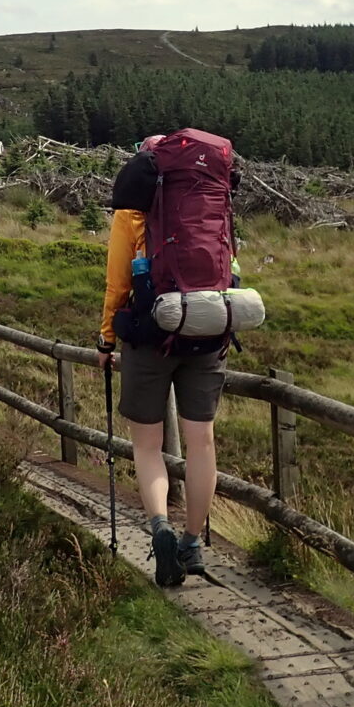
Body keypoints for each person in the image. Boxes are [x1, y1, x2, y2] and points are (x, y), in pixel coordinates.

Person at [97, 135, 227, 588]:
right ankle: (192, 540)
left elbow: (117, 283)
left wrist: (106, 339)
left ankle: (160, 529)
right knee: (201, 443)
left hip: (150, 337)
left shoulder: (132, 209)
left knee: (148, 447)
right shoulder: (212, 199)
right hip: (207, 331)